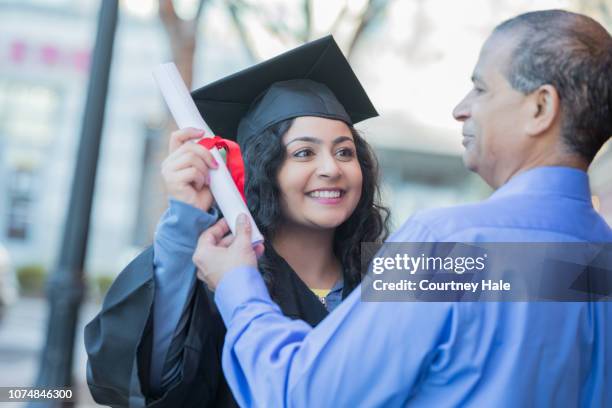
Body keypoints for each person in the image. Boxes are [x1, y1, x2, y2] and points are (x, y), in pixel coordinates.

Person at [194, 9, 612, 407]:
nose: (461, 108)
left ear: (540, 107)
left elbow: (302, 396)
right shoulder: (600, 262)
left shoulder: (450, 248)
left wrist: (238, 286)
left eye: (481, 88)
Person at [84, 36, 389, 407]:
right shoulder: (221, 279)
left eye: (345, 151)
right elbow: (144, 380)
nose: (331, 169)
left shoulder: (390, 274)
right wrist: (185, 220)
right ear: (262, 170)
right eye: (304, 152)